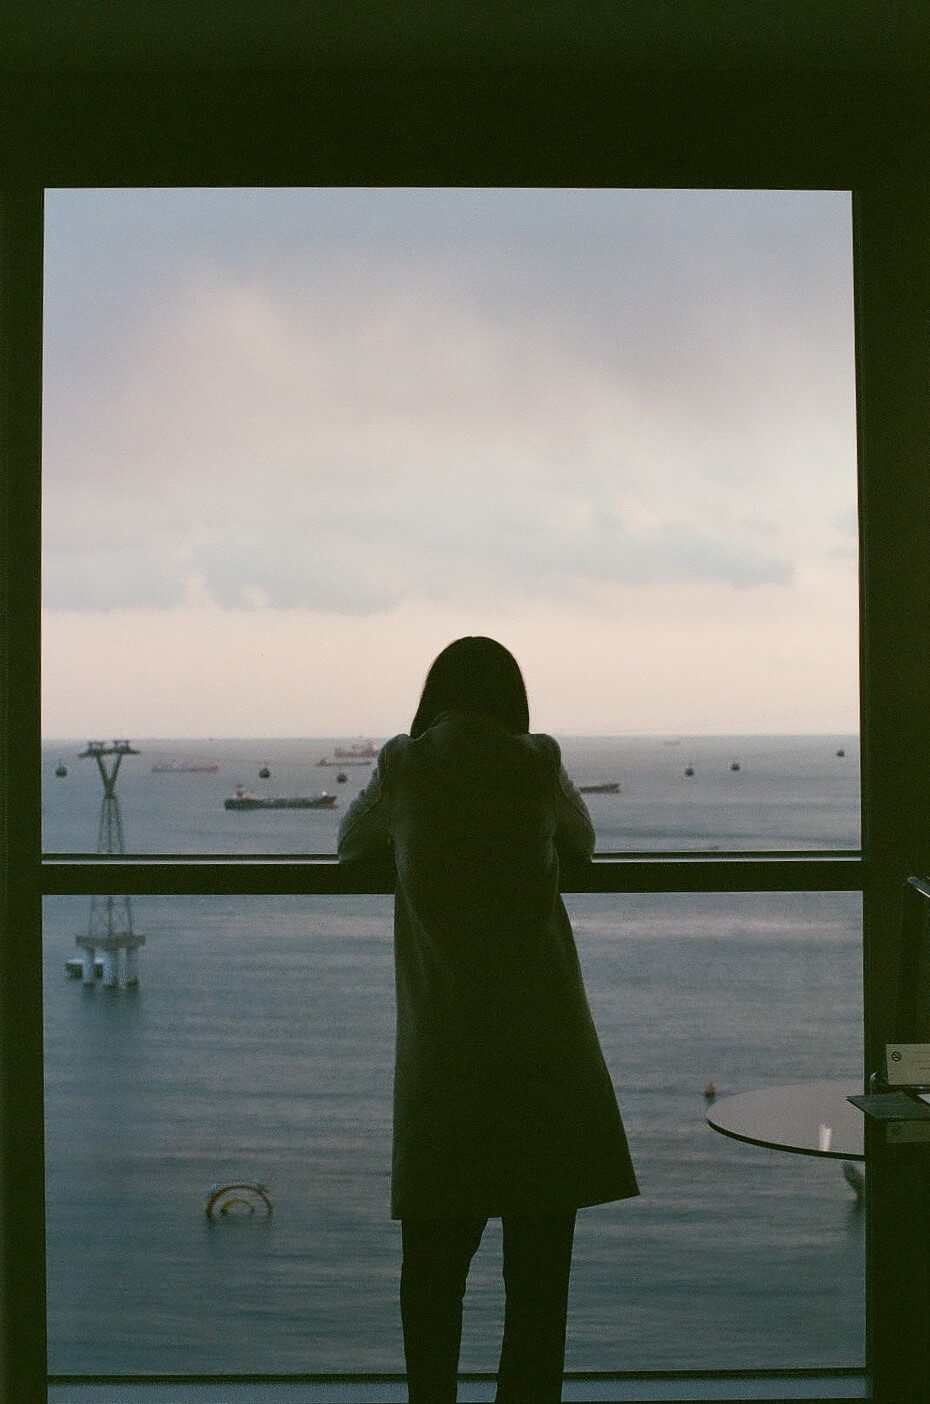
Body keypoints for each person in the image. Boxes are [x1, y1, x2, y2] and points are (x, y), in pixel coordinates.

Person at [337, 636, 638, 1403]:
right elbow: (583, 840)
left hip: (448, 1059)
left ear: (433, 697)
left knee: (432, 1284)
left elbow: (349, 846)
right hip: (546, 1053)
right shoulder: (537, 763)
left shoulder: (405, 766)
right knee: (538, 1292)